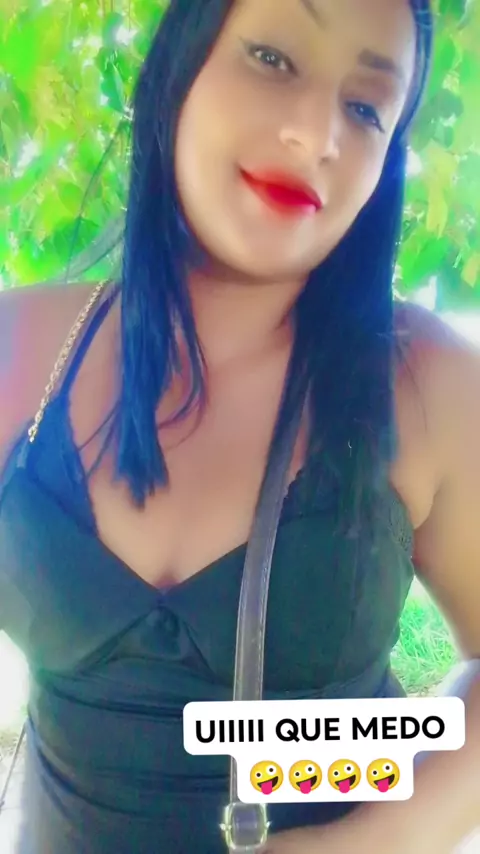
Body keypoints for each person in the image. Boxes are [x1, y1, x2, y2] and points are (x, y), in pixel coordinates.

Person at [0, 0, 479, 852]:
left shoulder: (426, 383)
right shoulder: (21, 348)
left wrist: (370, 838)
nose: (316, 136)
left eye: (365, 108)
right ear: (179, 67)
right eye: (273, 58)